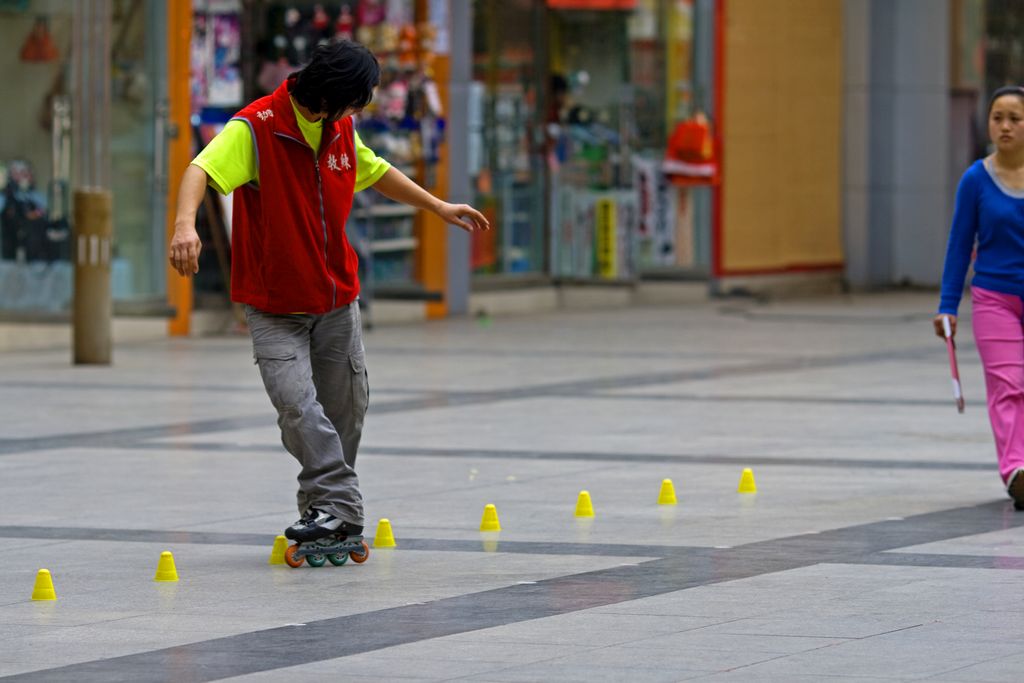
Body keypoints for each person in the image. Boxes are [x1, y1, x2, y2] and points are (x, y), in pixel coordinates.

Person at [169, 40, 489, 543]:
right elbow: (199, 170)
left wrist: (437, 207)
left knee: (347, 410)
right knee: (297, 405)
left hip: (337, 298)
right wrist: (186, 226)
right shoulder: (256, 127)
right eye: (359, 100)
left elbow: (376, 170)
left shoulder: (340, 128)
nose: (361, 110)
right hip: (274, 304)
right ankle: (341, 505)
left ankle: (323, 509)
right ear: (332, 95)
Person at [936, 84, 1024, 510]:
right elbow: (959, 244)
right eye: (997, 118)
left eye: (1014, 119)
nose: (1004, 126)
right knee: (1008, 385)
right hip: (994, 299)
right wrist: (947, 306)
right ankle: (1016, 472)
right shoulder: (975, 179)